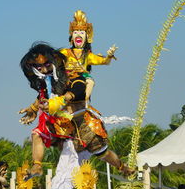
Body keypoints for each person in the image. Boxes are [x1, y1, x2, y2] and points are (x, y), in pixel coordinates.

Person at [18, 43, 134, 179]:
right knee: (36, 134)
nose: (44, 70)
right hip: (61, 125)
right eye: (39, 67)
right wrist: (33, 108)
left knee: (102, 153)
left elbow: (79, 88)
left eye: (47, 65)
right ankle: (37, 166)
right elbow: (42, 97)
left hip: (82, 123)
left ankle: (122, 167)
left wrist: (61, 100)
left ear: (55, 60)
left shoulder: (70, 74)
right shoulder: (46, 82)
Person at [60, 10, 117, 101]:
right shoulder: (65, 52)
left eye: (82, 33)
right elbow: (53, 57)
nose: (78, 34)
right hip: (66, 76)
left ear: (87, 37)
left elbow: (104, 61)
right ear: (72, 37)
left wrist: (109, 56)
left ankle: (85, 101)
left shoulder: (87, 55)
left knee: (90, 82)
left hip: (82, 76)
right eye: (75, 32)